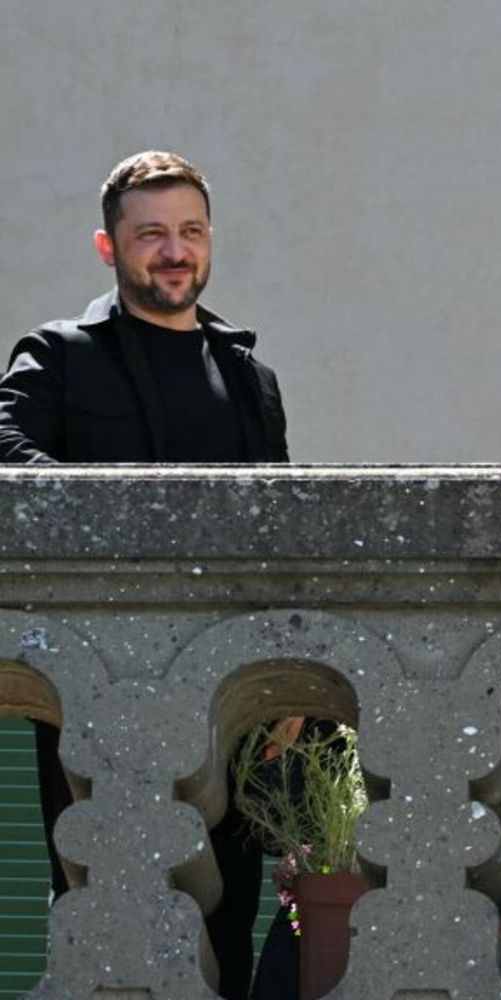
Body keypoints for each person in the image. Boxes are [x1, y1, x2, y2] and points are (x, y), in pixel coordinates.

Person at [0, 151, 290, 999]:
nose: (174, 251)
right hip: (96, 687)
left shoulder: (248, 376)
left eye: (190, 232)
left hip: (233, 691)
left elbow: (282, 533)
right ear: (109, 247)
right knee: (105, 909)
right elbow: (5, 457)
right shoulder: (57, 356)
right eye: (151, 234)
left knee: (230, 916)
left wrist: (287, 689)